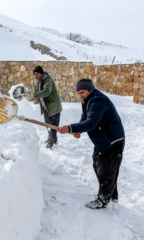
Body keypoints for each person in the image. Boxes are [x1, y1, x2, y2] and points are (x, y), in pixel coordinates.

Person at [57, 79, 125, 209]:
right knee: (98, 165)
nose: (80, 95)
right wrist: (77, 130)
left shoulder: (98, 100)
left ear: (90, 90)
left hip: (112, 140)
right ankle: (111, 193)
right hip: (102, 139)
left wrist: (70, 128)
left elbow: (91, 123)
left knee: (106, 170)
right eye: (78, 92)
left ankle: (103, 200)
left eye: (82, 92)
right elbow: (85, 117)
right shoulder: (88, 99)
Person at [30, 66, 62, 149]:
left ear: (42, 73)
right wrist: (36, 99)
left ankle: (52, 142)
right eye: (34, 74)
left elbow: (46, 91)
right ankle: (51, 139)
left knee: (53, 125)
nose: (35, 76)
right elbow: (36, 93)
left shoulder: (48, 80)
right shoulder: (38, 82)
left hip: (53, 106)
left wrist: (35, 95)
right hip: (46, 108)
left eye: (37, 74)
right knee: (48, 125)